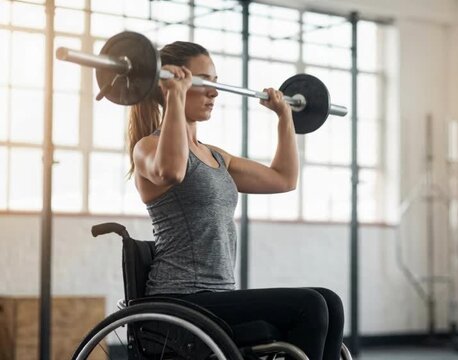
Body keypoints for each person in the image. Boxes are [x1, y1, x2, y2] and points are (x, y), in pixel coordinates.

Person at [126, 40, 344, 360]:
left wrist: (285, 117)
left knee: (329, 301)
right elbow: (171, 171)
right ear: (171, 85)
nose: (214, 93)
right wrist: (173, 95)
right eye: (202, 82)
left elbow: (284, 179)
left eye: (215, 83)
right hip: (180, 299)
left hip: (219, 296)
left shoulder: (216, 156)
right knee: (309, 306)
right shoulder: (147, 148)